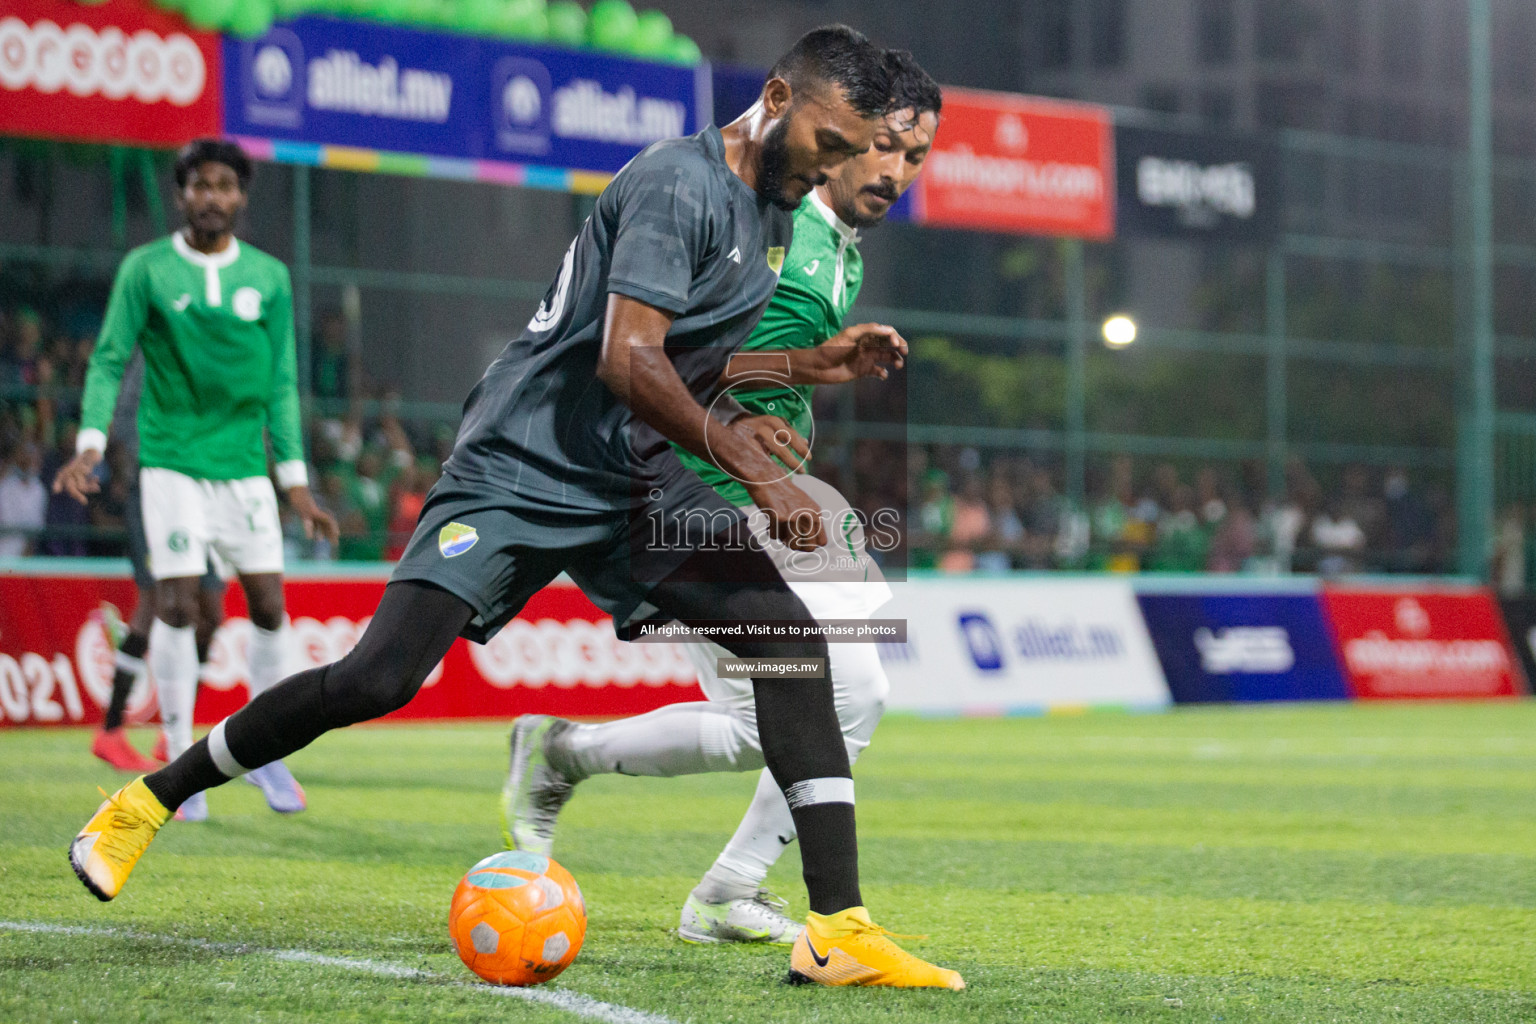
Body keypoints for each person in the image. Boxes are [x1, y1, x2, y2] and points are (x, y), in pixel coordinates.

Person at [69, 28, 961, 990]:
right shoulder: (680, 181)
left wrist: (804, 365)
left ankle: (838, 928)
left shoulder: (766, 208)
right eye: (832, 143)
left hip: (632, 480)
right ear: (779, 97)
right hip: (521, 464)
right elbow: (626, 360)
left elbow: (686, 352)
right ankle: (147, 803)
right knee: (378, 678)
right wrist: (751, 463)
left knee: (789, 644)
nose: (838, 167)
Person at [497, 50, 941, 950]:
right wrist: (768, 420)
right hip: (705, 480)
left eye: (916, 158)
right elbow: (676, 355)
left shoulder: (836, 253)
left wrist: (813, 372)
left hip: (770, 486)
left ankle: (569, 757)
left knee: (787, 715)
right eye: (885, 146)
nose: (894, 172)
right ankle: (728, 887)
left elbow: (744, 360)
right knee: (840, 692)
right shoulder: (779, 228)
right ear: (840, 132)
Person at [55, 139, 337, 821]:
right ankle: (180, 751)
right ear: (181, 196)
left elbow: (279, 383)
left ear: (241, 196)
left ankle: (264, 749)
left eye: (224, 186)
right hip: (172, 463)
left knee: (269, 605)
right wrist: (90, 444)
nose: (211, 197)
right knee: (176, 604)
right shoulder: (147, 269)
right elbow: (109, 359)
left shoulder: (268, 278)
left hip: (243, 471)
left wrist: (295, 482)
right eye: (199, 186)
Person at [89, 352, 230, 784]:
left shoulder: (205, 349)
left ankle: (173, 734)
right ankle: (112, 730)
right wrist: (147, 469)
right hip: (153, 486)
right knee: (154, 602)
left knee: (211, 612)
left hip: (198, 487)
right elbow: (126, 419)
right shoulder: (155, 348)